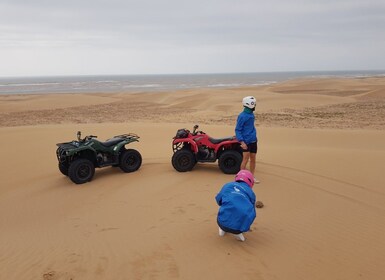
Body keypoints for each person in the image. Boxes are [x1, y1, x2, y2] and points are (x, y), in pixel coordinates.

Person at [215, 169, 256, 242]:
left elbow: (218, 199)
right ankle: (240, 229)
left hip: (221, 223)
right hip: (239, 229)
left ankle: (223, 228)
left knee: (225, 203)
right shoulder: (251, 193)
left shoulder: (228, 185)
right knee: (250, 210)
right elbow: (252, 211)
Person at [235, 96, 260, 184]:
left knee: (253, 159)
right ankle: (241, 177)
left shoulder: (251, 114)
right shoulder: (242, 116)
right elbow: (237, 129)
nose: (254, 106)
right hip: (245, 141)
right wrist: (242, 142)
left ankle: (252, 176)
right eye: (253, 104)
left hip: (253, 140)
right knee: (245, 159)